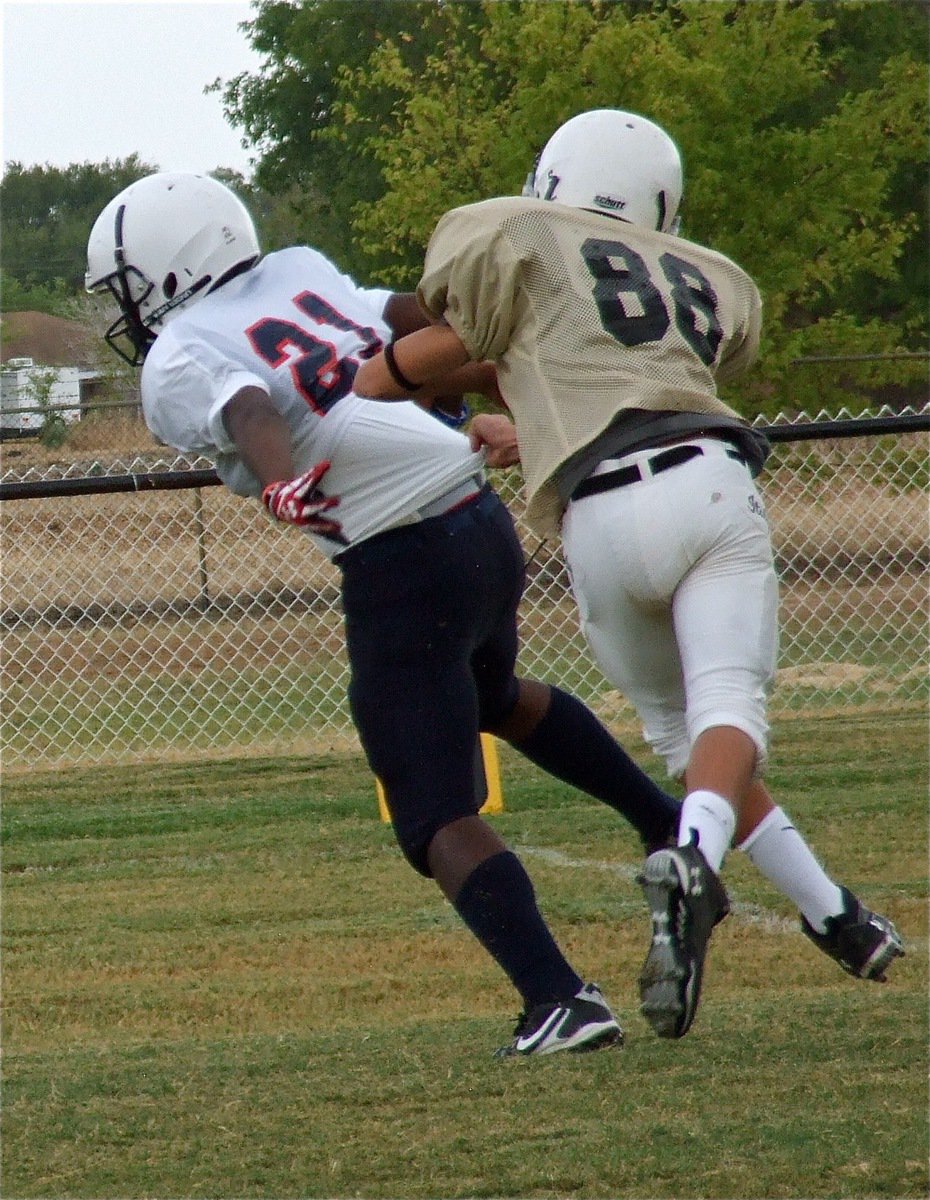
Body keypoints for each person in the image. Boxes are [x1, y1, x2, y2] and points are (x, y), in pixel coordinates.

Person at [84, 169, 687, 1058]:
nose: (128, 313)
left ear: (169, 269)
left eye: (130, 288)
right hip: (479, 526)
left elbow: (248, 407)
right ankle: (662, 821)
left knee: (433, 812)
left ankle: (559, 999)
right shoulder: (297, 269)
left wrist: (280, 478)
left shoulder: (181, 351)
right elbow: (405, 319)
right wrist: (490, 353)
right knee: (494, 697)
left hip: (402, 556)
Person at [352, 109, 905, 1039]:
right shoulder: (705, 276)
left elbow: (391, 376)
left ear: (553, 180)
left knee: (689, 742)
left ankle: (835, 915)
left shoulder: (519, 240)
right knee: (729, 712)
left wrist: (418, 380)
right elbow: (623, 368)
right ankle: (694, 859)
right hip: (703, 483)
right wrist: (529, 407)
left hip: (597, 517)